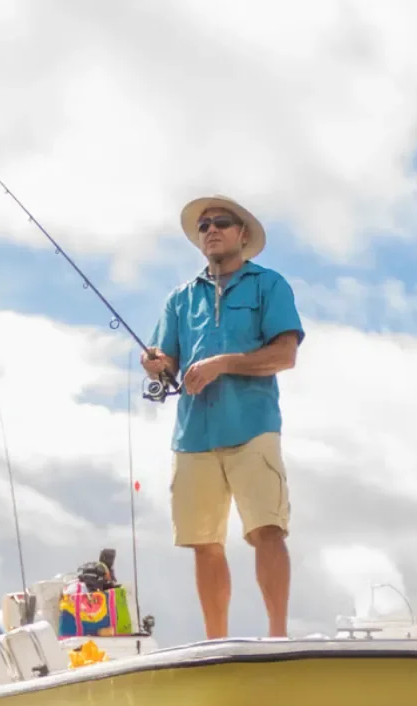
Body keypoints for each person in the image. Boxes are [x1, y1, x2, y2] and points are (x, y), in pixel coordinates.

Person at [141, 194, 305, 640]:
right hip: (193, 433)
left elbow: (285, 355)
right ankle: (217, 643)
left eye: (222, 222)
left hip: (253, 425)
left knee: (267, 529)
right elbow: (166, 363)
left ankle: (277, 638)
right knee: (204, 542)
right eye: (204, 225)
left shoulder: (269, 284)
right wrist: (155, 364)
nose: (211, 229)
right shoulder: (179, 299)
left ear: (242, 234)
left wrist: (223, 364)